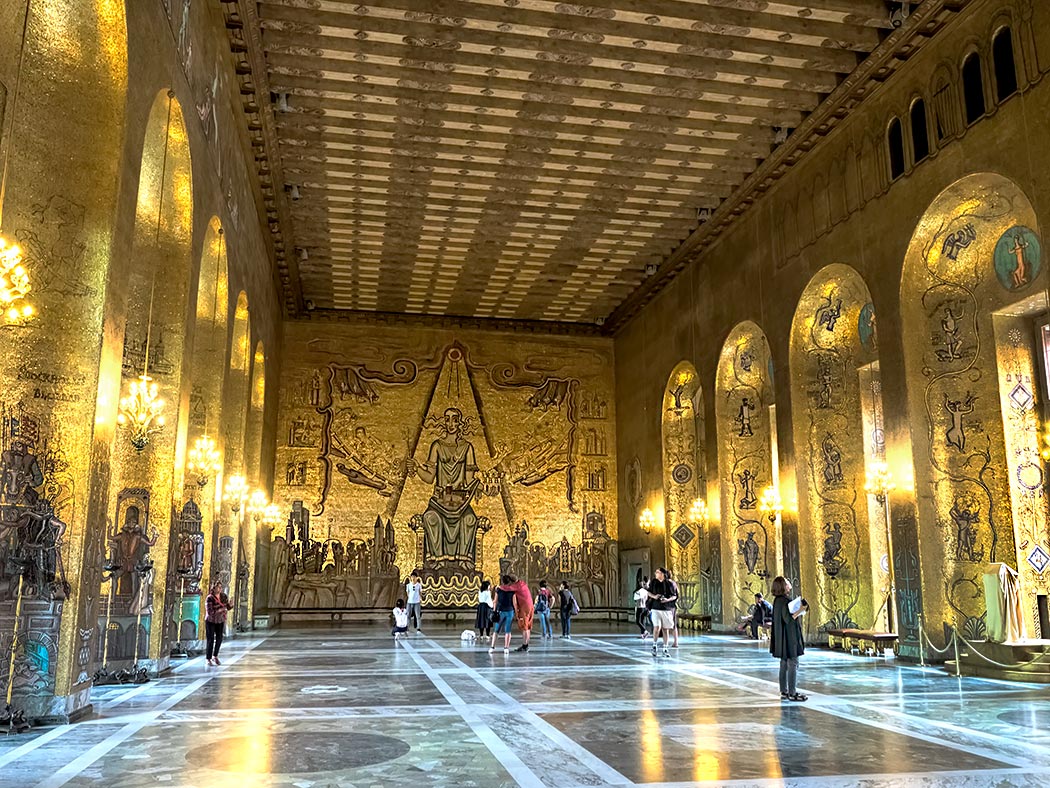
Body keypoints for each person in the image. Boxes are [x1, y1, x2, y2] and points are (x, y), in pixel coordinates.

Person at [770, 576, 808, 702]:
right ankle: (792, 692)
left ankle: (784, 691)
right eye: (787, 582)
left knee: (784, 663)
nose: (789, 583)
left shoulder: (777, 600)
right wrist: (801, 610)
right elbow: (788, 618)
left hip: (782, 637)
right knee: (793, 663)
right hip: (789, 636)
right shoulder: (785, 601)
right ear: (782, 586)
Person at [646, 567, 677, 658]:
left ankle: (665, 648)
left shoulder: (669, 583)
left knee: (665, 629)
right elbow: (648, 592)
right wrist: (654, 597)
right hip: (655, 608)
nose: (656, 573)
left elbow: (674, 596)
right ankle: (654, 645)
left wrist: (667, 600)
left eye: (657, 572)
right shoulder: (653, 582)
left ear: (662, 574)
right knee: (657, 627)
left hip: (666, 609)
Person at [204, 581, 232, 666]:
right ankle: (208, 658)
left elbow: (227, 607)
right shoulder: (210, 598)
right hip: (211, 621)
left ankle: (215, 655)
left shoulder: (223, 596)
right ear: (214, 588)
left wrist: (231, 605)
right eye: (218, 587)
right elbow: (210, 612)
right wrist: (220, 610)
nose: (220, 589)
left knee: (219, 638)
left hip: (220, 620)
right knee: (210, 639)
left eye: (221, 587)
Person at [490, 574, 516, 654]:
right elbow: (514, 603)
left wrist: (494, 611)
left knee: (496, 630)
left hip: (500, 611)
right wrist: (517, 613)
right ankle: (506, 648)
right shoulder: (512, 591)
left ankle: (492, 647)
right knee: (507, 630)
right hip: (510, 611)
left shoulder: (499, 590)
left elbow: (495, 601)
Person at [507, 575, 534, 652]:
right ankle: (526, 644)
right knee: (528, 627)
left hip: (524, 608)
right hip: (530, 606)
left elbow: (507, 589)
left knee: (524, 627)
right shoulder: (523, 583)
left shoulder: (515, 587)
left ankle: (525, 646)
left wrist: (516, 613)